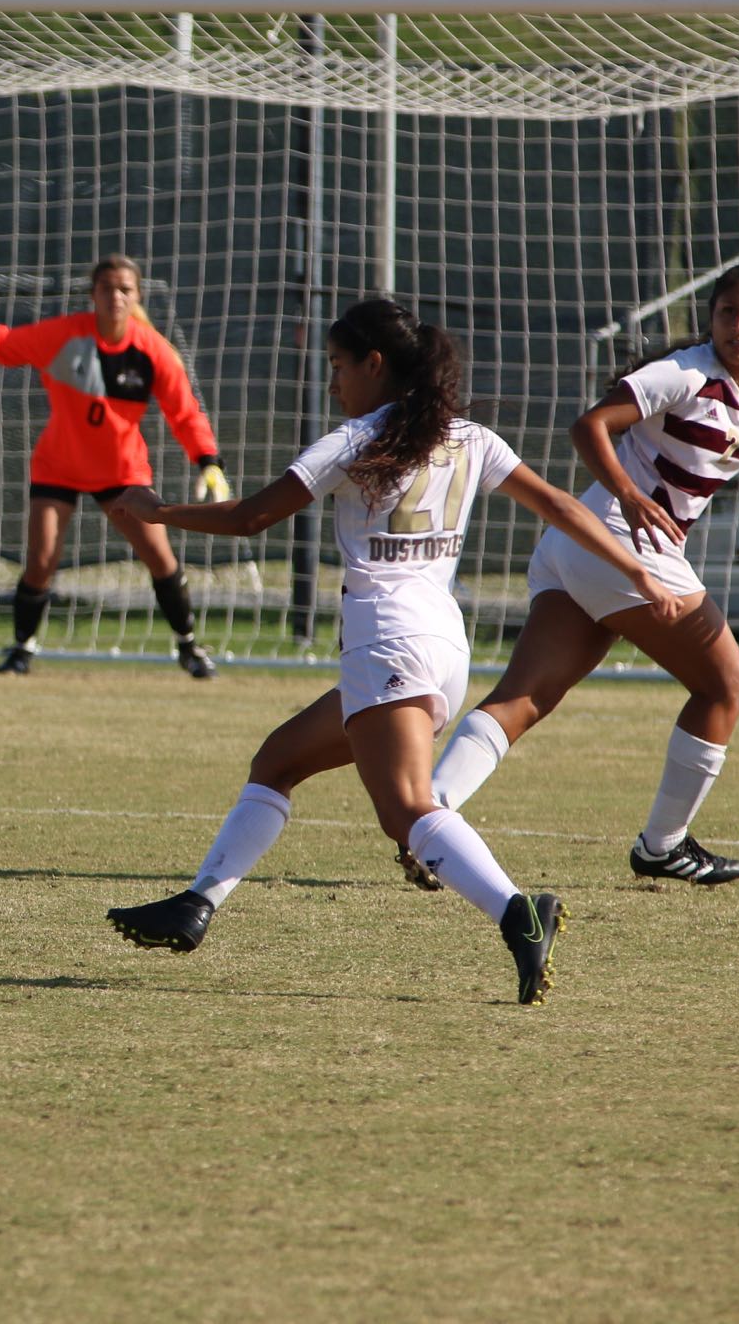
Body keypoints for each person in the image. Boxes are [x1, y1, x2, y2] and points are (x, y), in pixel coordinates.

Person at [99, 298, 690, 1005]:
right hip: (440, 640)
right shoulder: (471, 437)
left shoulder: (356, 441)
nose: (333, 383)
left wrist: (159, 511)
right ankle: (197, 904)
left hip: (387, 636)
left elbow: (253, 515)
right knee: (280, 759)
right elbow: (565, 506)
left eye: (339, 366)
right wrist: (638, 573)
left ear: (375, 365)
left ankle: (517, 911)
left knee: (405, 809)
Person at [420, 260, 739, 887]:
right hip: (618, 542)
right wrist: (630, 495)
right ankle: (662, 846)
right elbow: (588, 425)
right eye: (729, 311)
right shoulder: (683, 372)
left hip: (577, 547)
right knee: (727, 684)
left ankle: (427, 823)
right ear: (712, 318)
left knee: (527, 697)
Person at [0, 253, 231, 679]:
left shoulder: (153, 351)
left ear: (137, 296)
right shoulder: (65, 336)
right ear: (92, 295)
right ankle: (22, 649)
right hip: (59, 466)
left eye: (125, 290)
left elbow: (185, 412)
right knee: (41, 561)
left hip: (122, 473)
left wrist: (208, 462)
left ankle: (188, 646)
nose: (115, 297)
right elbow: (1, 342)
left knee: (160, 557)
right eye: (107, 289)